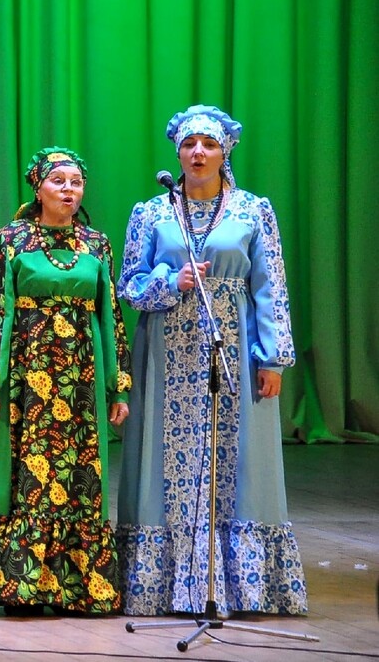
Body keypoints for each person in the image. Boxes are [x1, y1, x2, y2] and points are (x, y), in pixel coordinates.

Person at [117, 105, 307, 615]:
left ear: (225, 152)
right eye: (189, 144)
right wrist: (168, 281)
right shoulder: (151, 212)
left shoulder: (252, 210)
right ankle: (164, 585)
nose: (198, 152)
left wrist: (273, 358)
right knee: (164, 460)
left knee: (238, 461)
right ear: (177, 152)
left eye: (209, 144)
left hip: (233, 350)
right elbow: (129, 284)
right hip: (166, 351)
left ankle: (241, 586)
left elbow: (270, 286)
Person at [0, 147, 129, 617]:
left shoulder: (96, 244)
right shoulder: (8, 240)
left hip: (80, 379)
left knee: (78, 475)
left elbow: (110, 315)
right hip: (23, 379)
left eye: (76, 182)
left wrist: (118, 385)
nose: (68, 190)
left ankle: (76, 586)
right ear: (38, 187)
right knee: (25, 474)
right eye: (58, 181)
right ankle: (22, 584)